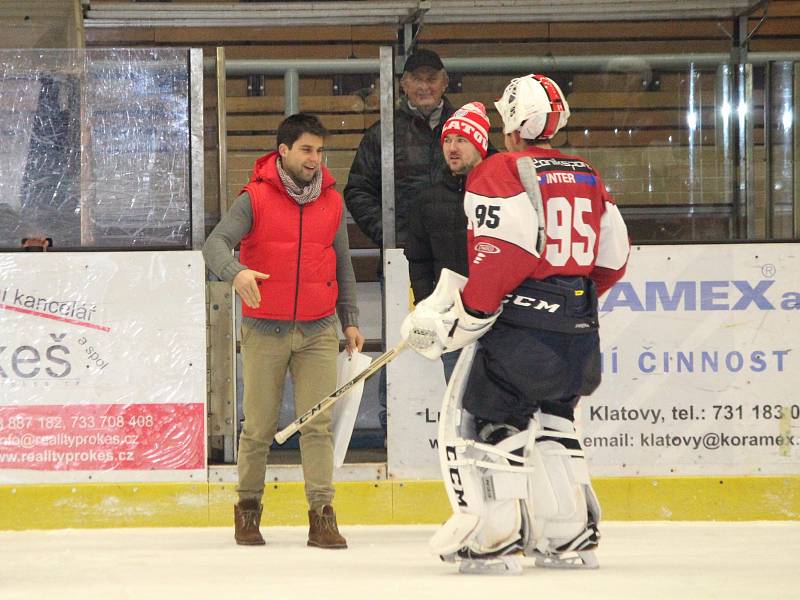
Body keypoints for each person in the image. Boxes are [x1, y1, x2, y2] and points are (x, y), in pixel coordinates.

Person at [401, 74, 630, 573]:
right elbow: (613, 259)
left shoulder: (503, 170)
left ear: (510, 125)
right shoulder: (587, 172)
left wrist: (469, 317)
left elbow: (501, 254)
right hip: (579, 332)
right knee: (554, 423)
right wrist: (568, 303)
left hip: (523, 334)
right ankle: (568, 537)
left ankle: (494, 539)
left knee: (489, 422)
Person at [203, 113, 365, 549]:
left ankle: (322, 514)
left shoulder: (331, 200)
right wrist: (236, 273)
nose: (315, 158)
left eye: (319, 150)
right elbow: (214, 244)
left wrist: (349, 318)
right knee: (257, 426)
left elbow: (342, 263)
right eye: (307, 149)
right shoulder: (254, 198)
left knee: (317, 426)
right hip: (265, 329)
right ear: (283, 152)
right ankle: (248, 508)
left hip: (319, 328)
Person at [406, 101, 492, 383]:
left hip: (501, 322)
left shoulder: (505, 191)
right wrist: (426, 306)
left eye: (461, 140)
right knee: (460, 404)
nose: (452, 148)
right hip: (454, 324)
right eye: (448, 140)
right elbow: (419, 260)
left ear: (480, 145)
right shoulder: (428, 199)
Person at [344, 48, 456, 248]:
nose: (424, 87)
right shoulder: (383, 132)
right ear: (404, 84)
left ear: (445, 83)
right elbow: (358, 190)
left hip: (457, 251)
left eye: (431, 79)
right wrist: (390, 235)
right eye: (416, 80)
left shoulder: (467, 128)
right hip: (402, 254)